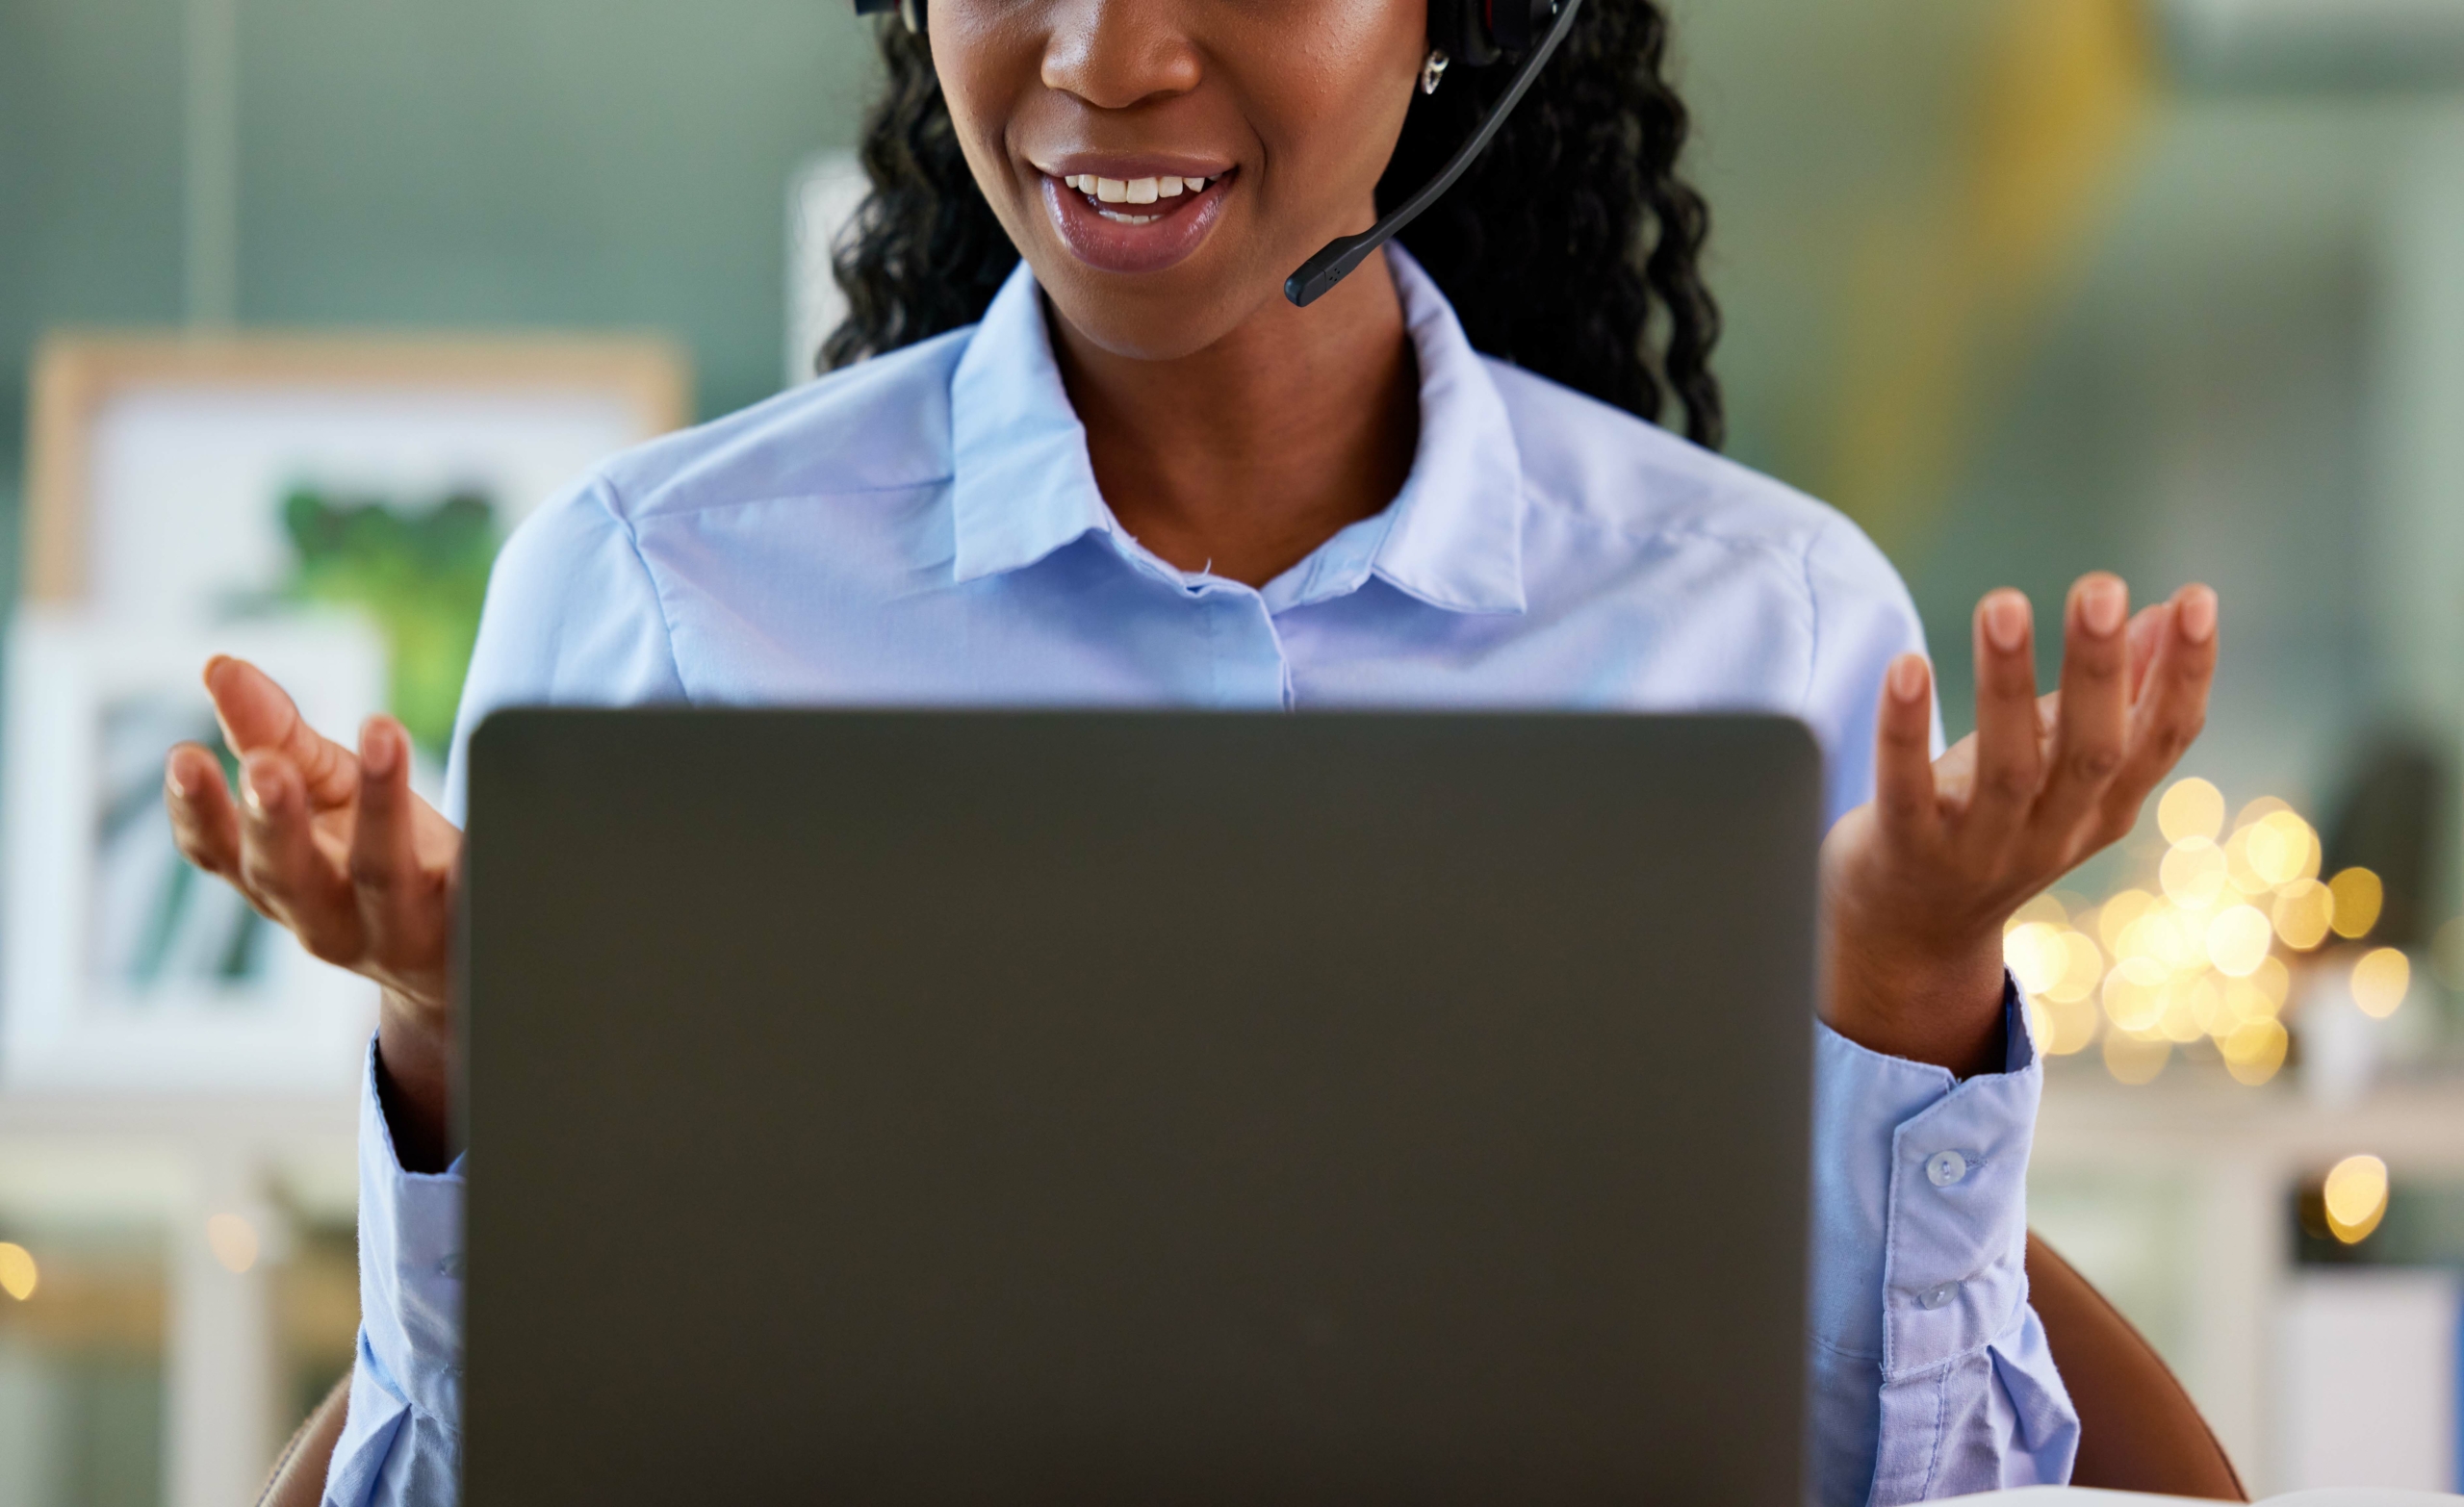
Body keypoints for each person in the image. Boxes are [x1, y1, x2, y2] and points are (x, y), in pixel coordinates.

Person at [161, 0, 2219, 1499]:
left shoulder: (1755, 624)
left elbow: (1905, 1489)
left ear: (1459, 22)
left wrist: (1909, 984)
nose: (1106, 54)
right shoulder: (654, 594)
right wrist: (453, 1027)